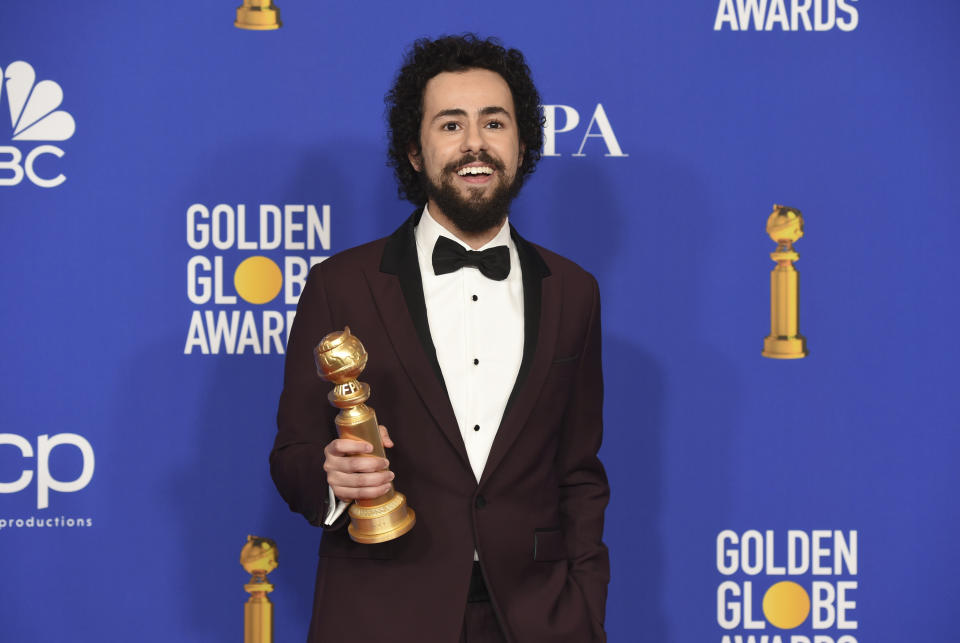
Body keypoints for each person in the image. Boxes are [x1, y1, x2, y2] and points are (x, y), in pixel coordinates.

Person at [271, 34, 609, 643]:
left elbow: (579, 475)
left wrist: (585, 610)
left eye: (494, 123)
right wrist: (331, 480)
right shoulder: (339, 285)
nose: (475, 142)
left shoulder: (573, 291)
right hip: (381, 614)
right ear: (414, 152)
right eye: (450, 124)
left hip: (537, 619)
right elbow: (292, 452)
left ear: (522, 143)